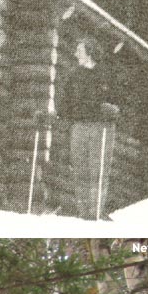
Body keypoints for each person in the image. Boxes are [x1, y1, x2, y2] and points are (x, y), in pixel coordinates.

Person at [56, 36, 119, 220]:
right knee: (80, 168)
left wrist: (113, 109)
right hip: (79, 126)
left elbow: (119, 100)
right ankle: (84, 212)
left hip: (102, 126)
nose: (76, 54)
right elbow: (64, 102)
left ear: (89, 52)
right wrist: (62, 114)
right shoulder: (74, 75)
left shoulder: (105, 74)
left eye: (79, 50)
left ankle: (97, 210)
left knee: (98, 169)